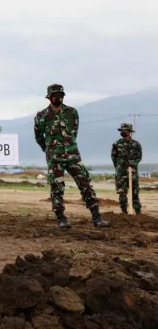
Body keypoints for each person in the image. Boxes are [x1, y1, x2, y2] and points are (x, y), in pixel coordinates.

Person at [34, 84, 110, 228]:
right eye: (55, 95)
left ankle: (97, 217)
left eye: (61, 95)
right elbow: (38, 136)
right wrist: (49, 149)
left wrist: (69, 146)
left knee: (85, 184)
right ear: (50, 97)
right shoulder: (42, 116)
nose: (58, 98)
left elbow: (74, 131)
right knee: (57, 188)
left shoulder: (72, 112)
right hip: (55, 158)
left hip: (73, 156)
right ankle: (61, 219)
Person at [111, 123, 143, 214]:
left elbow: (139, 157)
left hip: (132, 172)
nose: (122, 132)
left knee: (135, 193)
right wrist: (119, 167)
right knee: (122, 193)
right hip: (120, 173)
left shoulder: (136, 144)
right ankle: (124, 212)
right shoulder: (116, 144)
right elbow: (114, 157)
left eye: (124, 130)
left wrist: (133, 163)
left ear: (129, 132)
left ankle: (138, 213)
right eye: (121, 130)